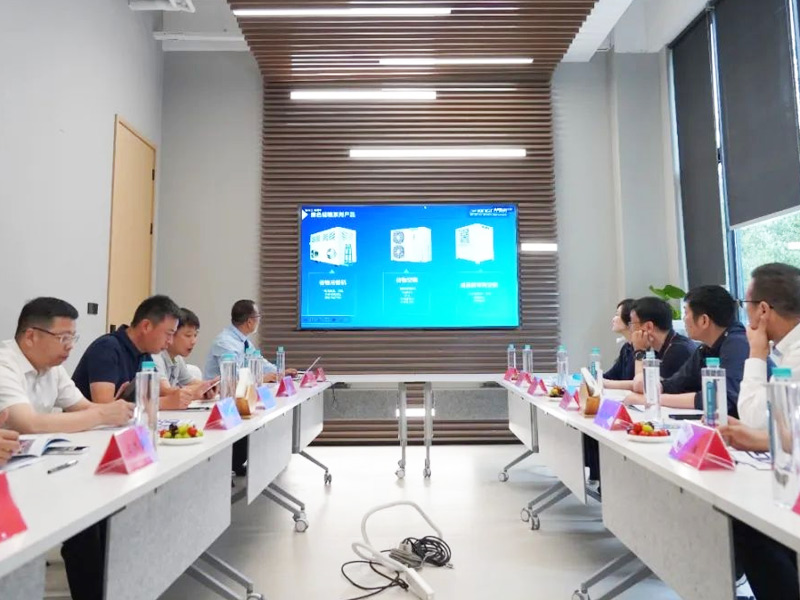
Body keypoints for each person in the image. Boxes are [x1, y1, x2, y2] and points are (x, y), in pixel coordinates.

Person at [0, 297, 132, 433]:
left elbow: (86, 408)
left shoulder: (53, 368)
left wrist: (119, 409)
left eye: (72, 338)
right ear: (30, 337)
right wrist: (102, 415)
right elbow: (30, 424)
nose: (70, 346)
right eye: (63, 338)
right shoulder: (4, 365)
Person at [624, 286, 748, 415]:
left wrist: (653, 400)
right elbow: (673, 385)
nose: (684, 319)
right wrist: (653, 393)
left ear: (704, 320)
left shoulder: (737, 343)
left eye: (686, 313)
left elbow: (721, 399)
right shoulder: (705, 348)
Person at [72, 295, 191, 410]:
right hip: (85, 423)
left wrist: (187, 393)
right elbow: (104, 408)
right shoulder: (106, 348)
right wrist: (163, 403)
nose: (170, 341)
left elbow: (159, 392)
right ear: (146, 326)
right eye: (169, 334)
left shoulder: (145, 354)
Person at [737, 263, 800, 429]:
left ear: (763, 310)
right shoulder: (787, 349)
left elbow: (754, 420)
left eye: (745, 303)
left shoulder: (797, 355)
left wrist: (756, 353)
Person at [605, 297, 695, 390]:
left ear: (648, 327)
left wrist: (639, 352)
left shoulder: (679, 351)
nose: (630, 328)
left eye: (631, 323)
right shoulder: (660, 348)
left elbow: (643, 386)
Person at [204, 299, 296, 382]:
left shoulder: (244, 341)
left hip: (239, 391)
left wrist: (280, 372)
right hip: (219, 393)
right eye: (258, 316)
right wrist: (260, 378)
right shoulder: (224, 343)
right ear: (249, 322)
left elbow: (261, 363)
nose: (259, 320)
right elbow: (232, 375)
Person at [151, 307, 218, 398]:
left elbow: (190, 382)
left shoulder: (177, 358)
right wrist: (197, 390)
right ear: (172, 334)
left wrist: (210, 385)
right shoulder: (155, 355)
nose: (193, 341)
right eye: (188, 335)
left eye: (195, 335)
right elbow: (164, 391)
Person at [602, 299, 635, 382]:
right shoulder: (626, 348)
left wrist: (605, 383)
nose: (613, 319)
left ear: (629, 320)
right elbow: (611, 375)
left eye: (617, 315)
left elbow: (635, 383)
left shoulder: (641, 351)